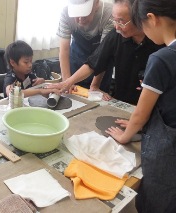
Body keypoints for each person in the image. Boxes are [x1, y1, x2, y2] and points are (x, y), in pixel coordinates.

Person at [106, 0, 176, 212]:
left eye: (141, 24)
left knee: (157, 200)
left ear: (152, 19)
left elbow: (140, 114)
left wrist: (125, 135)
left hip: (168, 148)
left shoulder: (162, 58)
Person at [49, 0, 163, 105]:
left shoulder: (159, 41)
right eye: (115, 20)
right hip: (122, 99)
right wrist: (67, 82)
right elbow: (95, 61)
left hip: (153, 104)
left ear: (139, 18)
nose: (116, 27)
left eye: (121, 21)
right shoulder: (116, 35)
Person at [57, 0, 114, 92]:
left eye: (84, 14)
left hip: (101, 68)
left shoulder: (110, 13)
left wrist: (95, 85)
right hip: (76, 60)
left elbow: (103, 55)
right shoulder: (66, 13)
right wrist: (67, 81)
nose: (79, 19)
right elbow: (64, 50)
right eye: (76, 14)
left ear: (96, 3)